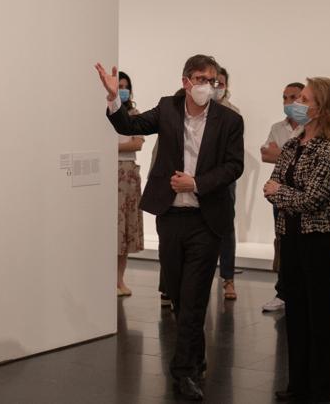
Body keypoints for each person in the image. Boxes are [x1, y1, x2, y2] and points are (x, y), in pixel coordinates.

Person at [97, 55, 244, 402]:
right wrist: (113, 98)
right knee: (177, 295)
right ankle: (197, 355)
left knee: (193, 297)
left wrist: (196, 183)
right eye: (200, 78)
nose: (207, 85)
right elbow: (130, 127)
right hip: (171, 217)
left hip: (206, 220)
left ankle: (184, 373)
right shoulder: (168, 108)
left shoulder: (229, 120)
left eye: (212, 80)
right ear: (185, 81)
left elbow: (233, 166)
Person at [264, 77, 330, 403]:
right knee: (296, 314)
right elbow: (270, 185)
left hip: (319, 240)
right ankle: (298, 384)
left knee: (320, 316)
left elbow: (312, 197)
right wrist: (283, 193)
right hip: (291, 235)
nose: (298, 102)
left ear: (320, 108)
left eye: (304, 98)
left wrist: (281, 192)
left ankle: (322, 389)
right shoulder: (293, 143)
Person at [260, 82, 305, 313]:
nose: (289, 102)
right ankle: (282, 292)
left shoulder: (312, 128)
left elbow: (302, 158)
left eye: (294, 97)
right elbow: (265, 154)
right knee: (283, 243)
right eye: (285, 98)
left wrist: (283, 153)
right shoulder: (278, 127)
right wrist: (290, 155)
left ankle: (301, 292)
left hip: (303, 195)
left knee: (302, 246)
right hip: (279, 193)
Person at [211, 67, 242, 301]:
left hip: (224, 180)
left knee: (226, 228)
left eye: (220, 83)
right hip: (199, 179)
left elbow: (234, 155)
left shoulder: (233, 113)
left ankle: (228, 278)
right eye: (212, 82)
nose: (215, 87)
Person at [115, 72, 145, 297]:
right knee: (113, 229)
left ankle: (120, 280)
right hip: (111, 175)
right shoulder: (106, 113)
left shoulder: (135, 114)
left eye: (126, 87)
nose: (123, 90)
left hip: (129, 176)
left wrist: (113, 147)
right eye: (119, 86)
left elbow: (137, 144)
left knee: (125, 231)